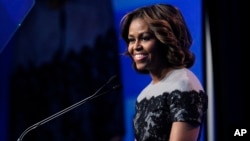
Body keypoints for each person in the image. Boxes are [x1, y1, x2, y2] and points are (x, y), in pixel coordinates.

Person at [119, 3, 208, 141]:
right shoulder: (144, 95)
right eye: (131, 40)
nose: (135, 46)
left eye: (145, 38)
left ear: (166, 39)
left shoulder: (183, 85)